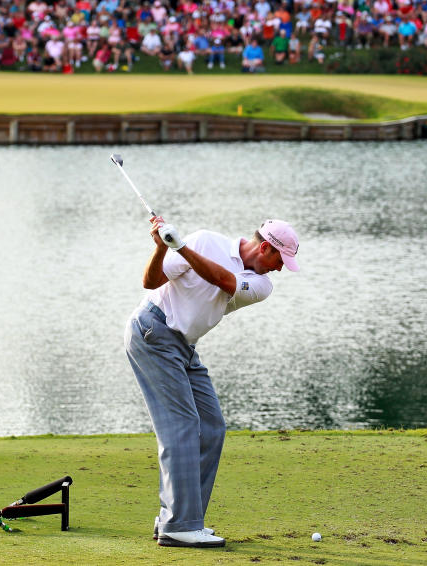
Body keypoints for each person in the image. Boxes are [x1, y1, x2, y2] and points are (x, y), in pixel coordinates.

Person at [124, 217, 300, 548]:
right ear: (265, 248)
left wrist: (181, 247)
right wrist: (162, 248)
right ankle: (180, 525)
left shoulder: (261, 286)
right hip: (153, 332)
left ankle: (179, 518)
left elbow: (222, 279)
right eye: (280, 260)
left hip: (184, 346)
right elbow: (150, 282)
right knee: (183, 424)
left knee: (211, 426)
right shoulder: (206, 241)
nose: (279, 269)